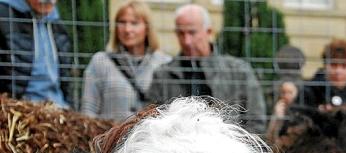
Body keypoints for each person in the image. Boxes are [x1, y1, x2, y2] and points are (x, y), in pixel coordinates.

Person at [148, 4, 266, 133]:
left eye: (192, 32)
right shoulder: (163, 75)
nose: (187, 41)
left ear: (209, 32)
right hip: (175, 150)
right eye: (181, 33)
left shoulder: (238, 71)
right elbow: (151, 121)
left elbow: (256, 122)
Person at [81, 1, 171, 122]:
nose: (127, 29)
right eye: (122, 22)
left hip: (149, 139)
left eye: (134, 23)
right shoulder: (100, 62)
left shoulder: (164, 63)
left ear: (147, 27)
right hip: (110, 138)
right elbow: (88, 111)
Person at [0, 0, 72, 107]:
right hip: (19, 109)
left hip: (58, 108)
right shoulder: (4, 15)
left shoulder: (55, 21)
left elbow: (66, 78)